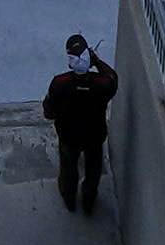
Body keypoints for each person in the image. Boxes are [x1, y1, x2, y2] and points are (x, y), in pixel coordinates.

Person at [45, 36, 118, 216]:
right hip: (94, 135)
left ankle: (69, 198)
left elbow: (48, 112)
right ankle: (88, 201)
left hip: (69, 136)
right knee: (93, 170)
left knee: (68, 169)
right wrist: (97, 62)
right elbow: (112, 78)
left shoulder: (59, 84)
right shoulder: (102, 85)